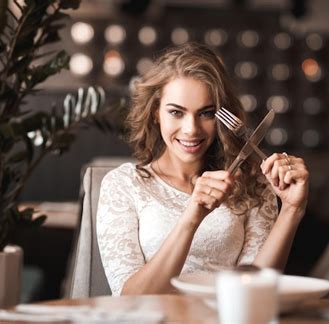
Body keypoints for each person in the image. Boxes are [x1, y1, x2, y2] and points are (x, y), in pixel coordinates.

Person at [96, 42, 309, 296]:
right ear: (155, 113)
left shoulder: (252, 183)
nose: (191, 129)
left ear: (222, 117)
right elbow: (130, 299)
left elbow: (253, 291)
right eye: (176, 112)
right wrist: (192, 217)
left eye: (206, 114)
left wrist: (292, 211)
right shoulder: (123, 185)